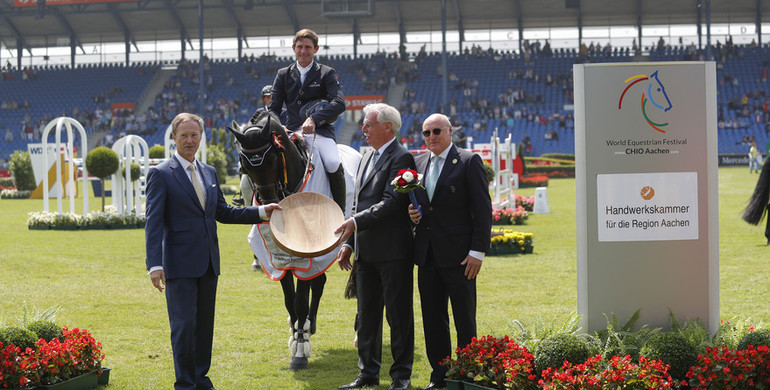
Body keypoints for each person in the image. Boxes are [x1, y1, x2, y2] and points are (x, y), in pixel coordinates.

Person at [145, 112, 280, 390]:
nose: (190, 140)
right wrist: (154, 264)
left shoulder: (209, 172)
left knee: (204, 327)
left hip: (208, 262)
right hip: (178, 264)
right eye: (184, 135)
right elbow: (153, 222)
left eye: (194, 135)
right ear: (174, 138)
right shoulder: (160, 173)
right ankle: (184, 382)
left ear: (201, 137)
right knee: (183, 327)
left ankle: (200, 377)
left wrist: (261, 211)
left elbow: (222, 211)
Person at [408, 113, 492, 390]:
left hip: (460, 258)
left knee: (464, 320)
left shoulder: (469, 161)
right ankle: (440, 376)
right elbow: (422, 207)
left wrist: (478, 252)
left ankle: (467, 377)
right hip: (427, 256)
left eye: (436, 131)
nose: (431, 137)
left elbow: (482, 210)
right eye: (426, 133)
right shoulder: (418, 163)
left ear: (450, 131)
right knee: (433, 321)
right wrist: (413, 214)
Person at [334, 103, 415, 390]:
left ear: (387, 127)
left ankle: (401, 375)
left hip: (393, 253)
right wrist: (351, 244)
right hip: (366, 253)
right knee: (367, 317)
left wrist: (354, 224)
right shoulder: (368, 156)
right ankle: (367, 373)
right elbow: (361, 204)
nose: (363, 129)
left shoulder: (402, 157)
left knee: (398, 316)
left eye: (368, 124)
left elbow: (392, 202)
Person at [269, 28, 347, 211]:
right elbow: (273, 108)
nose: (303, 51)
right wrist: (278, 126)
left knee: (333, 162)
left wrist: (314, 119)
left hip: (320, 132)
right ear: (293, 48)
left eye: (308, 47)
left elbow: (339, 103)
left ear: (316, 49)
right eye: (300, 47)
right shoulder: (283, 74)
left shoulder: (326, 73)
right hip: (291, 132)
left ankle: (339, 209)